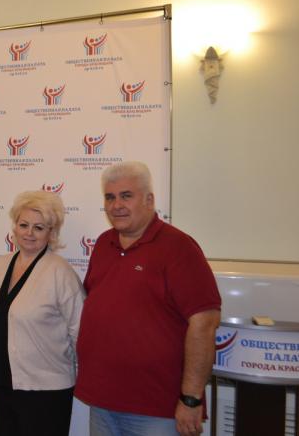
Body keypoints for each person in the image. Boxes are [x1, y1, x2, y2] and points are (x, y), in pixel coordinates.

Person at [75, 161, 221, 436]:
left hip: (157, 409)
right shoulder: (104, 244)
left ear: (149, 200)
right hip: (103, 402)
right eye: (110, 197)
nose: (117, 205)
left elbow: (205, 323)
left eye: (126, 196)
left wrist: (191, 399)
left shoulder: (179, 247)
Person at [0, 191, 84, 436]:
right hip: (1, 385)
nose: (29, 233)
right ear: (14, 227)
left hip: (46, 391)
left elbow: (80, 332)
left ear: (51, 233)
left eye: (39, 227)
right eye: (24, 225)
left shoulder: (61, 273)